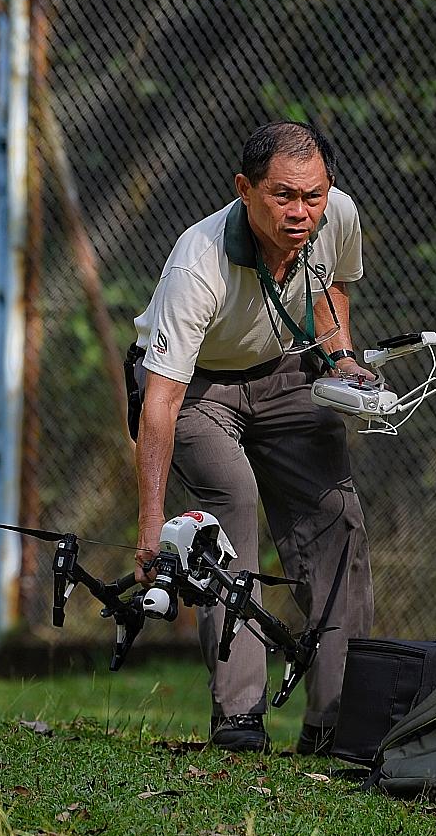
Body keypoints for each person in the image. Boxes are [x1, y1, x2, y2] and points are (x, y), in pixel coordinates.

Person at [129, 121, 373, 754]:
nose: (302, 213)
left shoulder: (336, 215)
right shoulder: (198, 260)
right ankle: (239, 718)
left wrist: (339, 357)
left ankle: (340, 723)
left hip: (283, 371)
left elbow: (334, 288)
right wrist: (151, 526)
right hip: (196, 389)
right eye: (284, 197)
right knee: (229, 502)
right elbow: (161, 401)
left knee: (336, 516)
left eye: (313, 196)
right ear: (245, 189)